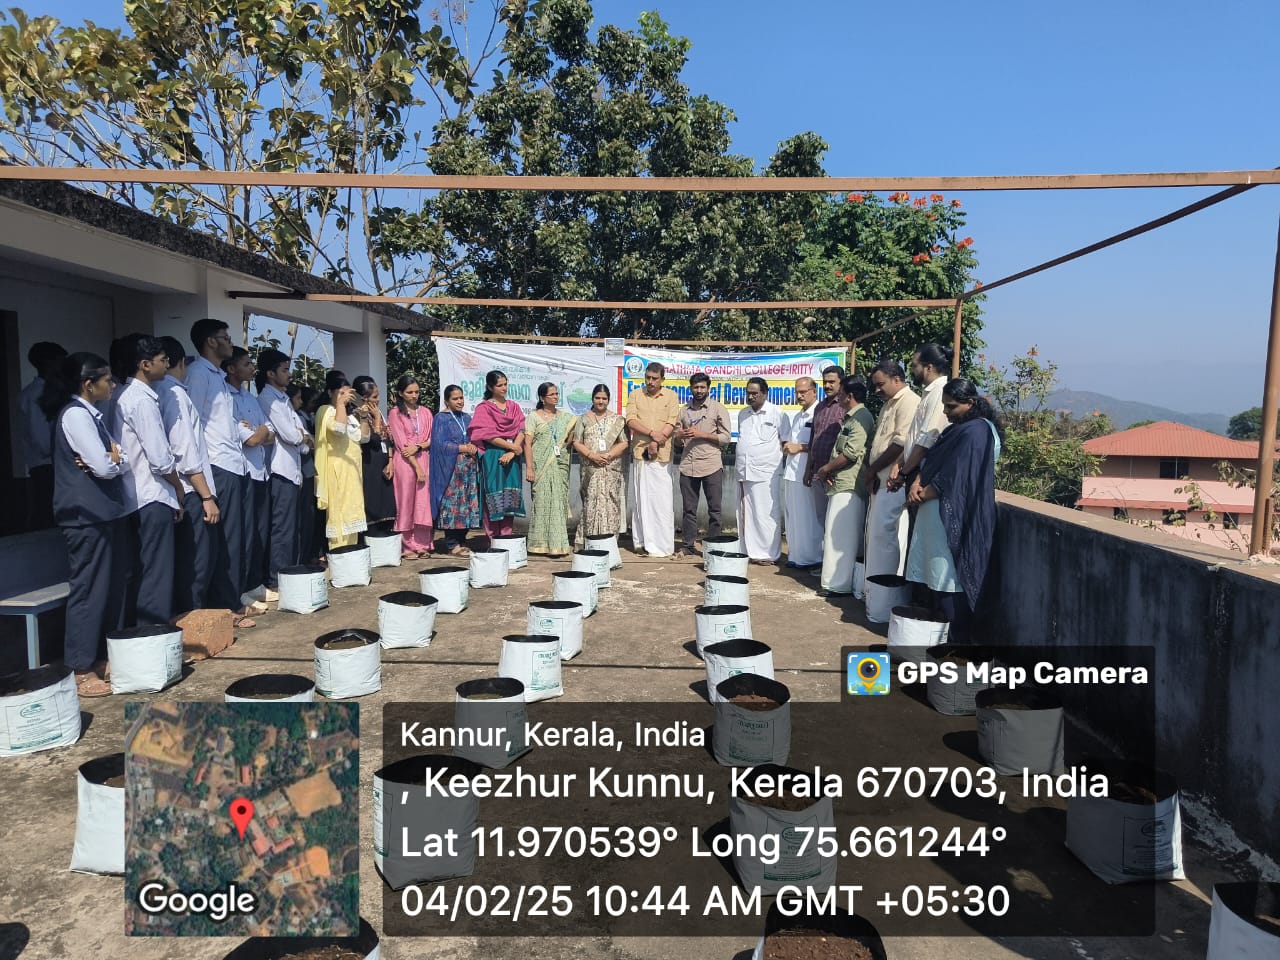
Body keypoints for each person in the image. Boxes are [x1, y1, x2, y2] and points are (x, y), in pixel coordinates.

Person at [40, 353, 128, 698]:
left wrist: (112, 459)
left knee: (110, 587)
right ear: (88, 385)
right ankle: (80, 666)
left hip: (103, 513)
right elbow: (106, 466)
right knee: (90, 590)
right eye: (107, 380)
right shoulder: (76, 415)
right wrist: (112, 459)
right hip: (85, 515)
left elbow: (115, 459)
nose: (113, 384)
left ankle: (102, 657)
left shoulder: (93, 415)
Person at [906, 379, 1004, 644]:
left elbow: (958, 475)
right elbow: (932, 460)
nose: (946, 412)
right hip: (933, 514)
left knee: (950, 578)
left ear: (970, 403)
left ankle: (955, 643)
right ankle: (939, 639)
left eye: (951, 407)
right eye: (944, 406)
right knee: (936, 577)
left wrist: (923, 493)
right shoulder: (957, 429)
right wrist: (917, 482)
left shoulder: (977, 431)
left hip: (954, 515)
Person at [187, 319, 257, 623]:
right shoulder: (198, 374)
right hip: (216, 463)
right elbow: (192, 424)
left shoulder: (218, 376)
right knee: (224, 540)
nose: (230, 342)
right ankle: (225, 606)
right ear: (211, 342)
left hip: (234, 462)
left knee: (236, 538)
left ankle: (233, 599)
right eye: (225, 338)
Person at [113, 336, 185, 625]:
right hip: (151, 494)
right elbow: (160, 458)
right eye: (162, 360)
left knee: (142, 569)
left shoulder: (125, 395)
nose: (167, 364)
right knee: (157, 571)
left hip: (134, 495)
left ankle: (142, 631)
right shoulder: (142, 400)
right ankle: (152, 632)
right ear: (145, 365)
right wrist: (178, 487)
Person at [155, 338, 220, 615]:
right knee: (197, 560)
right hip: (191, 489)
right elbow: (185, 451)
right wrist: (206, 496)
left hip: (180, 488)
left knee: (188, 559)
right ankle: (194, 617)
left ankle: (191, 614)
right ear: (181, 363)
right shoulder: (175, 394)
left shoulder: (158, 391)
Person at [861, 360, 921, 588]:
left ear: (897, 380)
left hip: (894, 479)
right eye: (875, 385)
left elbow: (900, 444)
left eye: (880, 384)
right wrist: (873, 471)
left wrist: (872, 470)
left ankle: (883, 589)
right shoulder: (888, 403)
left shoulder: (909, 401)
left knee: (884, 534)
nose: (877, 390)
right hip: (881, 478)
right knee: (877, 533)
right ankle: (873, 589)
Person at [224, 347, 275, 607]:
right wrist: (261, 431)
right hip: (243, 473)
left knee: (259, 532)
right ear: (231, 368)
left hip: (261, 472)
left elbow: (269, 434)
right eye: (246, 364)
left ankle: (255, 583)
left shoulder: (250, 398)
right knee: (243, 535)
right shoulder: (227, 398)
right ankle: (241, 588)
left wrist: (260, 430)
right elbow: (253, 439)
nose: (252, 368)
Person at [815, 376, 875, 596]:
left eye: (840, 394)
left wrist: (826, 469)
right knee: (835, 533)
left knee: (841, 537)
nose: (837, 398)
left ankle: (838, 585)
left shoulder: (862, 417)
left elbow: (850, 453)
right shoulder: (852, 418)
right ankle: (835, 582)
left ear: (849, 396)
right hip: (841, 482)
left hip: (850, 484)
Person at [258, 349, 308, 589]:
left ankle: (292, 574)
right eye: (285, 370)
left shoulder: (284, 399)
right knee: (282, 528)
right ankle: (278, 578)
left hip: (293, 470)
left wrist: (301, 437)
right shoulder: (268, 399)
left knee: (293, 528)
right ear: (270, 373)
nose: (289, 375)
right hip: (280, 471)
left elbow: (305, 437)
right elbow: (292, 435)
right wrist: (300, 437)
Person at [625, 362, 680, 559]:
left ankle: (663, 545)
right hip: (641, 454)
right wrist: (651, 434)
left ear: (662, 379)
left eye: (654, 378)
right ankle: (641, 543)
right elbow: (631, 420)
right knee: (642, 500)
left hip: (662, 456)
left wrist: (657, 441)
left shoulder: (671, 396)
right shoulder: (635, 395)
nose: (650, 382)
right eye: (647, 377)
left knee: (662, 502)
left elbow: (672, 421)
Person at [674, 372, 731, 557]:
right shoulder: (684, 410)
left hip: (711, 465)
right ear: (690, 388)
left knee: (715, 510)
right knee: (689, 510)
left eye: (702, 387)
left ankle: (713, 547)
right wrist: (679, 436)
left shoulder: (718, 408)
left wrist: (703, 435)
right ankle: (688, 545)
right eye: (695, 387)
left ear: (708, 388)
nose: (699, 390)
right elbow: (676, 440)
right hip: (688, 465)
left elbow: (726, 438)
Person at [468, 370, 526, 540]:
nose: (504, 388)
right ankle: (493, 539)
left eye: (505, 384)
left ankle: (506, 538)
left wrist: (513, 451)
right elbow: (486, 435)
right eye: (499, 385)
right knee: (494, 494)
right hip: (493, 456)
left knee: (510, 495)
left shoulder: (514, 406)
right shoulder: (484, 408)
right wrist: (512, 447)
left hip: (512, 457)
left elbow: (522, 429)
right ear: (490, 387)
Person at [886, 343, 951, 494]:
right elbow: (915, 438)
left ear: (928, 368)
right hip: (913, 469)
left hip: (923, 474)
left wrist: (903, 474)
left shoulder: (938, 393)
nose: (912, 370)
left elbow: (926, 440)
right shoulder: (929, 393)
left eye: (915, 366)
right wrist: (900, 463)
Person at [315, 371, 367, 549]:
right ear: (330, 392)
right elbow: (338, 429)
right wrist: (340, 404)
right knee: (340, 516)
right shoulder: (326, 411)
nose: (345, 396)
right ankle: (339, 553)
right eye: (340, 392)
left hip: (352, 472)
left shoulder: (349, 415)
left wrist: (364, 416)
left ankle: (351, 554)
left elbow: (363, 437)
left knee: (352, 513)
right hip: (337, 471)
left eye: (347, 393)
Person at [735, 377, 785, 565]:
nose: (750, 396)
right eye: (748, 393)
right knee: (747, 514)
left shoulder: (777, 413)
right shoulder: (743, 414)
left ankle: (768, 554)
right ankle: (748, 551)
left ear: (764, 393)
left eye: (754, 393)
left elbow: (786, 441)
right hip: (745, 471)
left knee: (766, 515)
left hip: (767, 473)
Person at [572, 383, 628, 548]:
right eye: (597, 398)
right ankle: (589, 541)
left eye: (604, 398)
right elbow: (576, 442)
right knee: (591, 502)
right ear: (592, 399)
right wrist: (592, 455)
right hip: (591, 467)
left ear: (608, 400)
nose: (600, 401)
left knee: (610, 503)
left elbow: (624, 443)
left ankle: (608, 544)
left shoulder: (617, 420)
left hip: (610, 468)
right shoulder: (583, 419)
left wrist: (608, 455)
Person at [19, 340, 67, 530]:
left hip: (53, 464)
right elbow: (42, 441)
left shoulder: (52, 391)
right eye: (60, 361)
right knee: (47, 518)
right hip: (46, 466)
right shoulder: (35, 395)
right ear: (49, 363)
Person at [525, 382, 576, 557]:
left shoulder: (566, 418)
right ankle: (538, 545)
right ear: (542, 398)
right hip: (541, 467)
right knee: (541, 503)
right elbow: (527, 444)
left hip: (559, 465)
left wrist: (563, 442)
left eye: (557, 394)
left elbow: (570, 439)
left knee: (558, 503)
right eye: (551, 394)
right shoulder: (533, 417)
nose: (555, 397)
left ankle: (558, 545)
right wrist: (529, 468)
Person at [387, 374, 435, 558]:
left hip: (424, 458)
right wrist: (417, 467)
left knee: (423, 503)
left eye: (416, 392)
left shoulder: (426, 412)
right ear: (401, 393)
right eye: (409, 392)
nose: (414, 395)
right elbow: (401, 444)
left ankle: (422, 544)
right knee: (405, 502)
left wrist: (419, 446)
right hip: (406, 463)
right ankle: (407, 546)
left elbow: (432, 438)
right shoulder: (395, 413)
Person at [431, 384, 481, 557]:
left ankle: (462, 541)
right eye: (455, 399)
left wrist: (473, 446)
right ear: (446, 401)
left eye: (461, 398)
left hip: (468, 469)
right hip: (451, 470)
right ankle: (452, 544)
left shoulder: (466, 418)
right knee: (453, 505)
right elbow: (439, 445)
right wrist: (461, 447)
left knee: (466, 505)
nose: (460, 401)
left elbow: (474, 438)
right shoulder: (441, 418)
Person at [780, 376, 823, 569]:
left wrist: (801, 447)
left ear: (814, 391)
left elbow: (822, 442)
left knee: (808, 517)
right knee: (793, 517)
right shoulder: (798, 416)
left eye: (803, 392)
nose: (799, 395)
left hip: (807, 472)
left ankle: (812, 558)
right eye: (797, 392)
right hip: (791, 472)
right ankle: (796, 556)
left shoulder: (818, 414)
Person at [804, 365, 846, 536]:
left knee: (837, 522)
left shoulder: (845, 406)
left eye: (832, 382)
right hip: (817, 473)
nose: (827, 385)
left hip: (835, 474)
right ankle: (824, 553)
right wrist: (808, 470)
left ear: (841, 382)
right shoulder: (819, 407)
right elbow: (813, 440)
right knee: (821, 520)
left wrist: (832, 468)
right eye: (825, 382)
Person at [353, 375, 398, 524]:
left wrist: (390, 461)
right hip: (369, 465)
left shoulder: (378, 413)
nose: (378, 400)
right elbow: (371, 439)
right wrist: (377, 420)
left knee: (387, 506)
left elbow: (388, 439)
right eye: (374, 397)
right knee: (373, 503)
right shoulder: (357, 416)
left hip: (384, 466)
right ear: (363, 398)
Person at [297, 386, 325, 563]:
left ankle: (314, 552)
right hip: (305, 468)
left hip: (312, 468)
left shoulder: (311, 417)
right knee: (307, 515)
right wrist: (309, 440)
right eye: (312, 402)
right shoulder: (300, 418)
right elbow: (304, 441)